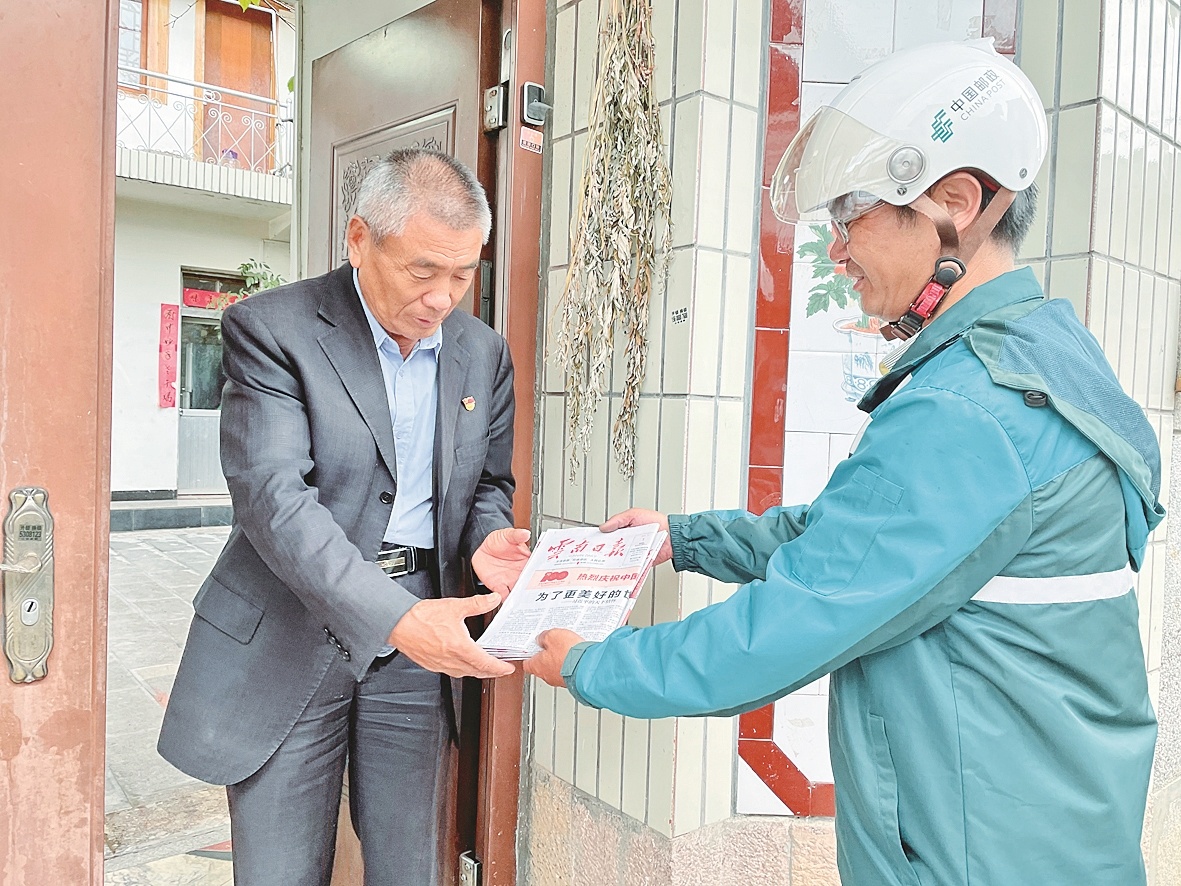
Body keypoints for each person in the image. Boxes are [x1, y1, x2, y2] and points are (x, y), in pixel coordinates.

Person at [525, 40, 1162, 886]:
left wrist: (586, 664)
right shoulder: (1043, 355)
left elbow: (797, 619)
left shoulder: (969, 408)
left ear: (956, 202)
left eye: (853, 215)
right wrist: (684, 539)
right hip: (1049, 829)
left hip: (972, 857)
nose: (835, 251)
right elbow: (858, 540)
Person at [159, 148, 530, 886]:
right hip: (293, 630)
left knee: (408, 864)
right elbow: (274, 501)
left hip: (421, 635)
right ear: (359, 239)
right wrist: (393, 615)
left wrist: (488, 539)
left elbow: (488, 481)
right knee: (280, 868)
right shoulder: (273, 329)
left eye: (461, 275)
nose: (441, 298)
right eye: (423, 271)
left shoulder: (480, 352)